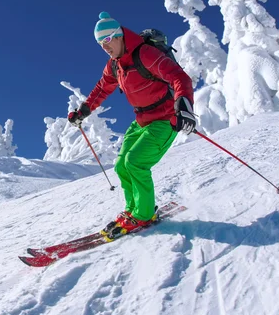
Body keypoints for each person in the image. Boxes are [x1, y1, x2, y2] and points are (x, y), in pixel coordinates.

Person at [68, 12, 196, 234]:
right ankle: (133, 209)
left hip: (165, 119)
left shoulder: (145, 54)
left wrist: (184, 106)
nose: (105, 47)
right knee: (121, 165)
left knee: (136, 162)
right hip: (141, 120)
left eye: (107, 40)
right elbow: (101, 89)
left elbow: (179, 77)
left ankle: (144, 215)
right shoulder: (114, 66)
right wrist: (83, 111)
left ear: (119, 36)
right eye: (100, 43)